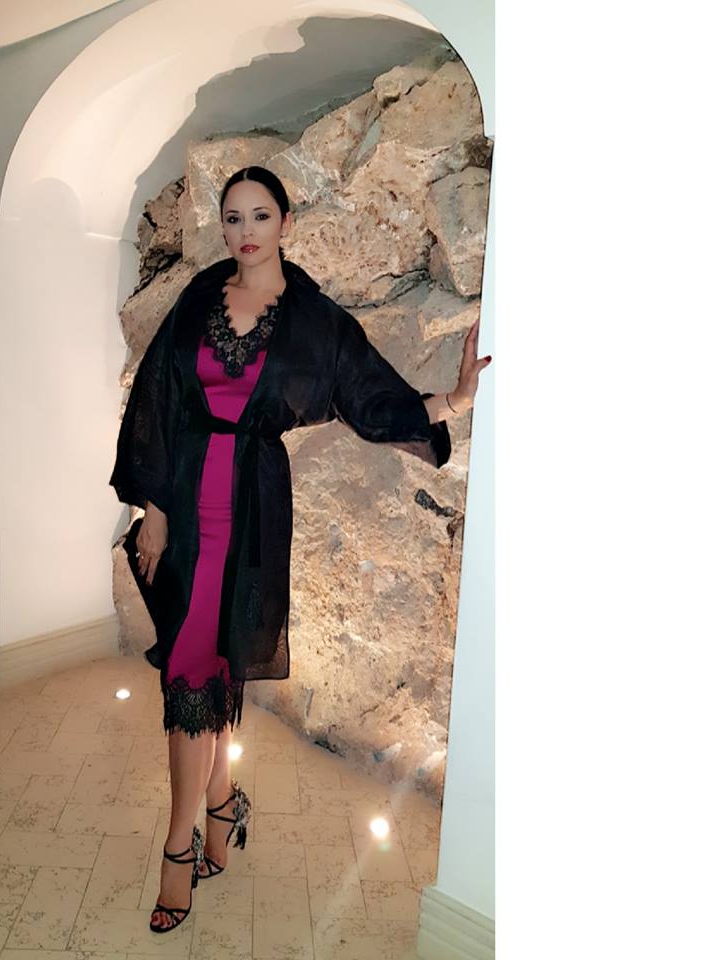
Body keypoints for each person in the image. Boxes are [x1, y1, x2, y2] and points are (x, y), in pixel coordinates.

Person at [109, 165, 491, 933]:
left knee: (205, 671)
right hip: (184, 501)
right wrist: (153, 509)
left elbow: (371, 401)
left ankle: (182, 848)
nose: (245, 231)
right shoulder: (199, 298)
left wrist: (452, 400)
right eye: (233, 217)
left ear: (286, 223)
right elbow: (158, 396)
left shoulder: (314, 322)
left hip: (249, 510)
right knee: (196, 670)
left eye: (259, 216)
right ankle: (221, 807)